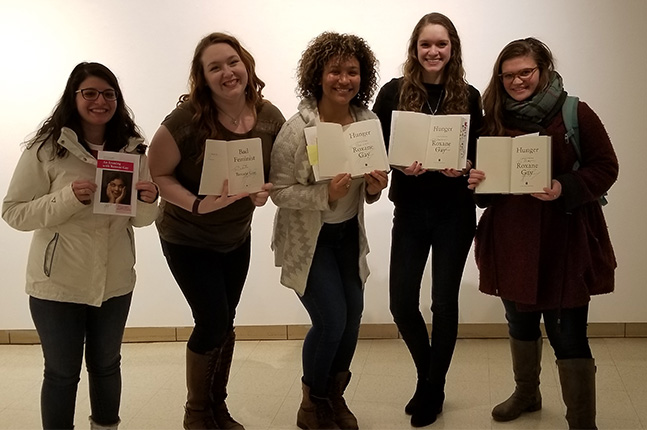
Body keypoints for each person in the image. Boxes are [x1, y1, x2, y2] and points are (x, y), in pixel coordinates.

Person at [467, 38, 618, 430]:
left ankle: (582, 422)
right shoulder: (494, 117)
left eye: (525, 73)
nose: (517, 81)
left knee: (568, 335)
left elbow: (606, 167)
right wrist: (479, 181)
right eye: (508, 75)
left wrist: (563, 187)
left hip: (564, 241)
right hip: (511, 241)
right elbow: (487, 192)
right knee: (519, 323)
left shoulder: (574, 112)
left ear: (544, 69)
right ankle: (527, 393)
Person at [2, 62, 159, 430]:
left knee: (107, 366)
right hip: (56, 284)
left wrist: (149, 200)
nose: (100, 101)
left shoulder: (134, 150)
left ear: (118, 100)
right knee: (61, 373)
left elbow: (142, 220)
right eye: (89, 93)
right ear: (74, 97)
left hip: (115, 282)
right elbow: (13, 213)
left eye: (108, 94)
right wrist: (67, 198)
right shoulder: (46, 149)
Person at [147, 32, 285, 430]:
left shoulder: (269, 116)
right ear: (203, 78)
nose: (227, 72)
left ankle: (216, 407)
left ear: (246, 64)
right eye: (215, 67)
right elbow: (158, 174)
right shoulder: (185, 120)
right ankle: (196, 413)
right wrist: (195, 203)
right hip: (186, 235)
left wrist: (264, 193)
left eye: (232, 62)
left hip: (235, 235)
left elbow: (273, 172)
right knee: (212, 320)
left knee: (227, 319)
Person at [269, 32, 388, 430]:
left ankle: (334, 398)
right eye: (334, 70)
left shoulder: (368, 122)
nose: (343, 79)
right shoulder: (297, 128)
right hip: (309, 240)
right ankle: (312, 403)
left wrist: (373, 187)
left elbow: (369, 189)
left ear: (362, 77)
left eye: (352, 71)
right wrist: (325, 194)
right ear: (318, 75)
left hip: (346, 238)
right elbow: (279, 192)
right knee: (331, 320)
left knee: (352, 318)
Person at [372, 12, 483, 427]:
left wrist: (466, 164)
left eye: (441, 44)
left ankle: (432, 387)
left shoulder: (469, 96)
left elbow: (478, 152)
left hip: (455, 212)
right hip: (411, 211)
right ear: (414, 50)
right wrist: (399, 164)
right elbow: (375, 150)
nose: (433, 51)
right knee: (401, 302)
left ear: (452, 49)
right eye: (425, 44)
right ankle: (428, 378)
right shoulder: (393, 93)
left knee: (443, 303)